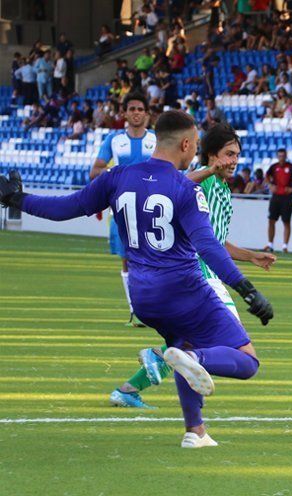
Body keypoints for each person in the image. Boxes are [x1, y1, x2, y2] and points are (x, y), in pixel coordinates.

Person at [0, 111, 274, 448]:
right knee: (246, 360)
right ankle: (195, 363)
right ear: (187, 144)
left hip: (143, 297)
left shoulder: (118, 177)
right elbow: (208, 245)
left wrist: (17, 198)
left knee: (183, 345)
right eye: (196, 145)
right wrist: (246, 289)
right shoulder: (187, 189)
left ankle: (196, 431)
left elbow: (65, 208)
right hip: (184, 290)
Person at [109, 124, 277, 409]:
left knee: (190, 344)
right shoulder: (205, 183)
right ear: (211, 155)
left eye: (237, 154)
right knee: (230, 346)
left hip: (207, 274)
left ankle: (128, 390)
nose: (234, 160)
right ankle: (161, 362)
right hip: (198, 275)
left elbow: (215, 241)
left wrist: (251, 256)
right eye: (229, 154)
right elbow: (181, 184)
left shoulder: (221, 189)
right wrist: (208, 171)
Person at [90, 93, 157, 328]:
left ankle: (154, 309)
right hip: (122, 210)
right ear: (125, 113)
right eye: (132, 108)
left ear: (148, 113)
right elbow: (95, 171)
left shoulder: (157, 140)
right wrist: (117, 176)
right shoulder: (114, 140)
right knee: (127, 260)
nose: (136, 112)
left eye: (140, 108)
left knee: (154, 258)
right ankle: (135, 311)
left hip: (152, 209)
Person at [264, 148, 292, 253]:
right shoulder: (274, 167)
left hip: (287, 198)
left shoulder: (291, 167)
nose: (281, 158)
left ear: (286, 156)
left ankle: (285, 246)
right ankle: (270, 244)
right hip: (275, 197)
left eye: (283, 156)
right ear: (277, 157)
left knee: (286, 222)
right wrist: (270, 185)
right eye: (280, 156)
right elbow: (266, 176)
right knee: (271, 220)